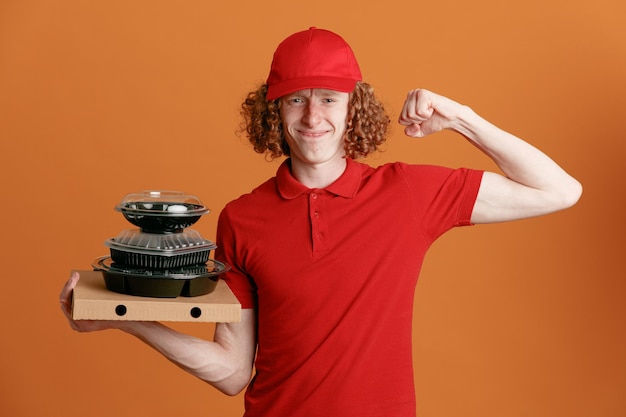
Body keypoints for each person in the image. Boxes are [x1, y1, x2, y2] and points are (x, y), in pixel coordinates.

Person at [60, 27, 582, 416]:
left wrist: (461, 118)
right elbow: (231, 372)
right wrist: (124, 317)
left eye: (329, 99)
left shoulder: (407, 192)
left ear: (353, 108)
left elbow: (559, 190)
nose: (313, 118)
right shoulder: (243, 219)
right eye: (297, 100)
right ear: (275, 112)